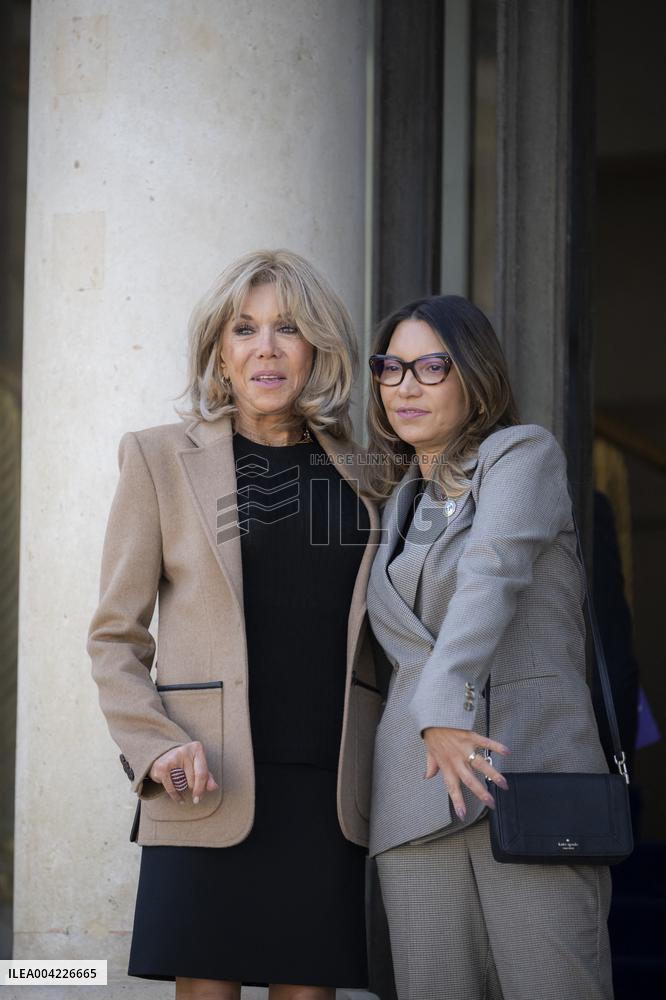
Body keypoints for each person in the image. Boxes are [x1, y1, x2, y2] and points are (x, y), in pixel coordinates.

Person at [87, 249, 382, 1000]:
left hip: (327, 788)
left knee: (309, 990)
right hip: (205, 779)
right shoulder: (159, 459)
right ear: (221, 348)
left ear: (317, 346)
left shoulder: (372, 472)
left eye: (288, 328)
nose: (266, 349)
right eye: (245, 329)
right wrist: (153, 750)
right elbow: (116, 636)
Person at [364, 294, 614, 1000]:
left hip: (528, 780)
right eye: (390, 367)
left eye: (431, 366)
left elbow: (492, 571)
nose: (404, 385)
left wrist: (444, 708)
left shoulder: (520, 454)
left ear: (475, 376)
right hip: (414, 803)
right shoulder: (395, 503)